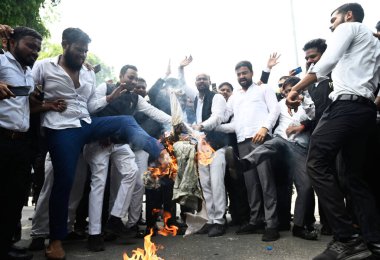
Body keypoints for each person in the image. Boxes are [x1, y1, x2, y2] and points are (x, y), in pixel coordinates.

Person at [32, 27, 166, 259]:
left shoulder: (87, 73)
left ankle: (160, 151)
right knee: (65, 179)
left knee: (125, 121)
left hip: (85, 123)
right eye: (78, 50)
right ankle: (54, 240)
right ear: (65, 45)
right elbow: (29, 95)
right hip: (61, 127)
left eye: (85, 51)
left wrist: (109, 100)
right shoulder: (44, 66)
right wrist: (46, 105)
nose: (82, 55)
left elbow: (91, 107)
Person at [286, 3, 380, 259]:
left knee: (316, 163)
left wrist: (296, 89)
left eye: (333, 18)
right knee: (353, 177)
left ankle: (347, 238)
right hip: (365, 111)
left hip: (346, 107)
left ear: (348, 15)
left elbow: (326, 61)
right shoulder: (374, 43)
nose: (331, 24)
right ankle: (373, 243)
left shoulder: (349, 27)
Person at [240, 77, 318, 240]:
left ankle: (298, 226)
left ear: (301, 89)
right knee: (272, 144)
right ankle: (246, 163)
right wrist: (261, 80)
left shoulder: (308, 102)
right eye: (286, 90)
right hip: (281, 142)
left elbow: (314, 116)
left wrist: (302, 119)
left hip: (300, 148)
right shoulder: (279, 105)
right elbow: (268, 113)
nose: (289, 92)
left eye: (293, 89)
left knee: (305, 187)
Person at [220, 60, 281, 241]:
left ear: (252, 73)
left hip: (261, 139)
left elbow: (275, 109)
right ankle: (256, 220)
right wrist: (210, 122)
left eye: (244, 73)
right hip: (242, 142)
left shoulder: (264, 89)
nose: (241, 76)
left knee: (266, 182)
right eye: (238, 74)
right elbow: (224, 117)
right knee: (251, 184)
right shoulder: (234, 97)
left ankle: (272, 224)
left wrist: (264, 128)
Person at [0, 24, 42, 260]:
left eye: (37, 49)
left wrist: (44, 103)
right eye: (30, 46)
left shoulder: (28, 73)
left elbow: (24, 107)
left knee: (13, 199)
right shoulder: (1, 61)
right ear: (12, 42)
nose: (34, 52)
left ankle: (5, 246)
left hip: (21, 145)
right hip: (1, 140)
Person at [191, 73, 228, 237]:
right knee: (205, 185)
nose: (201, 81)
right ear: (195, 83)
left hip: (217, 146)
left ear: (209, 82)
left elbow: (218, 117)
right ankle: (211, 220)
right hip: (202, 146)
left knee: (217, 184)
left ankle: (220, 221)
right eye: (198, 79)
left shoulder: (217, 97)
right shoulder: (196, 100)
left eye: (204, 79)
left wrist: (202, 126)